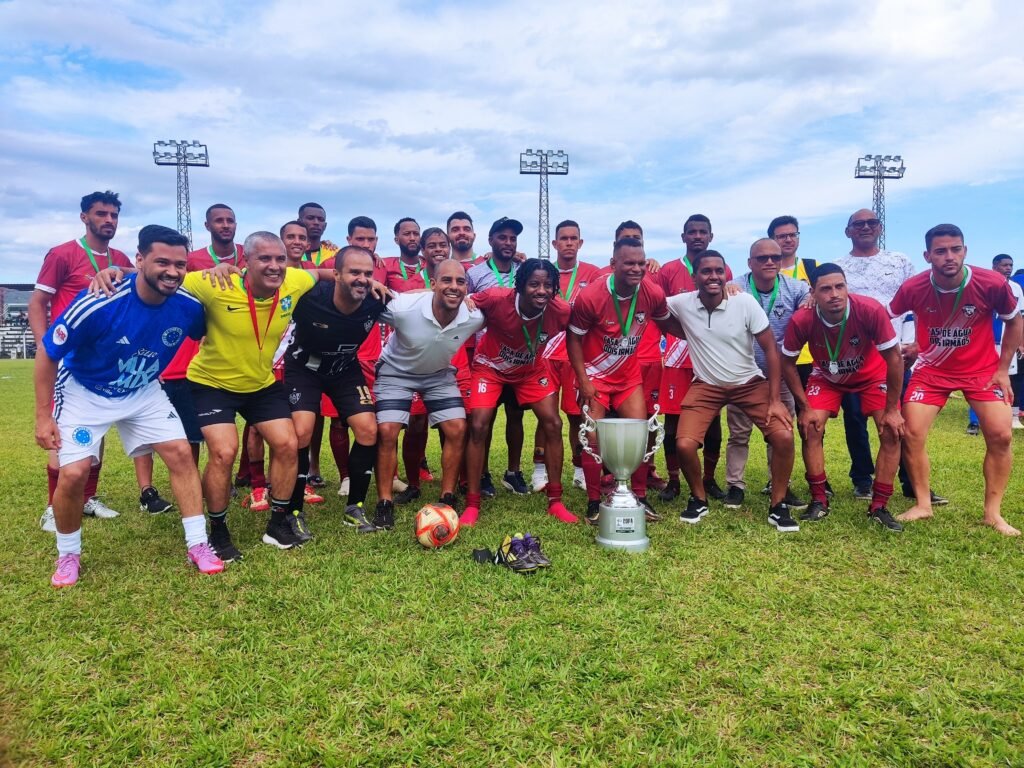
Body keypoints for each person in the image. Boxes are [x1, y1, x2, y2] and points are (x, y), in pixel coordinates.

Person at [34, 224, 222, 587]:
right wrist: (43, 416)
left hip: (142, 391)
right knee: (74, 473)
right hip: (85, 391)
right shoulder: (98, 301)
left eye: (180, 264)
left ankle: (198, 544)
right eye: (162, 262)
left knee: (181, 454)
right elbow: (48, 353)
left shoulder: (188, 306)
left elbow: (206, 326)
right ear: (139, 260)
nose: (172, 271)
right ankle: (68, 554)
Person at [29, 190, 172, 531]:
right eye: (101, 214)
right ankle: (53, 505)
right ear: (85, 217)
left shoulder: (119, 257)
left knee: (97, 429)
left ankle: (88, 498)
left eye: (113, 215)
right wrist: (45, 347)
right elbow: (37, 302)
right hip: (70, 356)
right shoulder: (62, 254)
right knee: (65, 432)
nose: (108, 220)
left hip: (109, 358)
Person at [889, 224, 1021, 535]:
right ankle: (923, 505)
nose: (949, 256)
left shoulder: (991, 283)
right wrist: (907, 347)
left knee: (1001, 435)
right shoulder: (913, 287)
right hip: (931, 372)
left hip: (982, 372)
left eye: (955, 249)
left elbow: (1015, 322)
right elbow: (886, 318)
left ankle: (993, 514)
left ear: (965, 251)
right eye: (940, 251)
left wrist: (1003, 369)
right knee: (912, 433)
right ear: (927, 256)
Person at [661, 249, 798, 532]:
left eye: (718, 271)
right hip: (706, 385)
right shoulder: (682, 302)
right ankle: (698, 498)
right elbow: (652, 305)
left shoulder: (744, 302)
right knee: (684, 444)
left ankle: (778, 504)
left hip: (748, 383)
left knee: (783, 436)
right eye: (706, 271)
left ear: (726, 274)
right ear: (694, 277)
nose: (713, 276)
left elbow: (771, 350)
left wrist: (775, 400)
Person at [781, 264, 906, 530]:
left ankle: (879, 506)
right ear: (813, 293)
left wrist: (893, 409)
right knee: (810, 427)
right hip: (827, 378)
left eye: (840, 286)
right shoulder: (802, 319)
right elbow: (787, 363)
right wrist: (804, 407)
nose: (835, 294)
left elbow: (895, 359)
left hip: (872, 376)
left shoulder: (869, 309)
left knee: (890, 430)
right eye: (826, 289)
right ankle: (819, 500)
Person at [834, 209, 946, 506]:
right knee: (855, 418)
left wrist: (917, 342)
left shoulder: (899, 262)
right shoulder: (839, 267)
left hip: (896, 353)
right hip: (854, 356)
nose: (866, 227)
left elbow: (919, 303)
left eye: (872, 223)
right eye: (859, 224)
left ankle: (911, 482)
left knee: (901, 418)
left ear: (880, 228)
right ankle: (862, 479)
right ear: (848, 231)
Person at [567, 236, 676, 525]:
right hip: (595, 376)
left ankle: (639, 496)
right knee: (591, 437)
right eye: (629, 263)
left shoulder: (651, 292)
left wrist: (701, 333)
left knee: (638, 435)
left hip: (628, 377)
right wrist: (583, 380)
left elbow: (667, 321)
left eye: (641, 263)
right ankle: (593, 502)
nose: (637, 269)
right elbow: (573, 339)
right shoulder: (592, 296)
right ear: (613, 263)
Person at [283, 245, 388, 535]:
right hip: (303, 368)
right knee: (302, 431)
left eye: (367, 273)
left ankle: (354, 508)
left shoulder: (376, 300)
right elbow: (273, 281)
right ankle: (293, 511)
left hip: (344, 369)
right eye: (354, 272)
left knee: (368, 430)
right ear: (336, 274)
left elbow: (414, 302)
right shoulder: (310, 297)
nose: (362, 279)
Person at [372, 260, 484, 531]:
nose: (454, 286)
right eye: (446, 280)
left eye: (460, 282)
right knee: (387, 430)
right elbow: (362, 303)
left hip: (438, 374)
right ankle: (384, 502)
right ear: (432, 284)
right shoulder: (403, 308)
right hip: (396, 372)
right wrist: (373, 284)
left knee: (457, 428)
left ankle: (447, 498)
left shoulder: (474, 316)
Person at [462, 259, 574, 526]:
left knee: (553, 423)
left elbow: (580, 332)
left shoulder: (560, 310)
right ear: (520, 286)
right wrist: (467, 300)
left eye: (548, 285)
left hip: (530, 371)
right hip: (490, 367)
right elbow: (466, 302)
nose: (541, 291)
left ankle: (556, 501)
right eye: (534, 284)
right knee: (478, 424)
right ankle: (472, 503)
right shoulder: (496, 298)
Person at [161, 205, 247, 471]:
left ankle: (245, 476)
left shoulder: (249, 255)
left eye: (230, 220)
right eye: (219, 221)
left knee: (249, 424)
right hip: (199, 352)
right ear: (207, 226)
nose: (225, 225)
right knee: (200, 427)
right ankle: (195, 478)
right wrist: (117, 269)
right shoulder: (193, 259)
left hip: (240, 350)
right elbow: (163, 281)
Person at [723, 239, 808, 509]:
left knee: (781, 430)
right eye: (762, 258)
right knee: (739, 433)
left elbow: (811, 302)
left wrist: (813, 298)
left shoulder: (796, 288)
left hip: (779, 374)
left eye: (775, 257)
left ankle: (779, 483)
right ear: (750, 263)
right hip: (742, 374)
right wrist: (725, 290)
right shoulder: (736, 286)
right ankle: (735, 485)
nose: (770, 262)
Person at [653, 215, 729, 502]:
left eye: (702, 232)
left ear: (711, 236)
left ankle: (709, 479)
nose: (697, 236)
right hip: (676, 357)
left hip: (709, 357)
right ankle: (674, 481)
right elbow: (656, 307)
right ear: (683, 237)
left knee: (712, 424)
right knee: (673, 424)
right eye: (692, 232)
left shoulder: (722, 268)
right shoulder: (669, 270)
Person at [537, 220, 601, 492]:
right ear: (555, 243)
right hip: (546, 355)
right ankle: (539, 471)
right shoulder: (544, 272)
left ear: (580, 243)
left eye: (574, 238)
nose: (569, 243)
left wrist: (653, 262)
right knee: (546, 416)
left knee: (578, 416)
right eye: (563, 238)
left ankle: (579, 470)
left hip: (577, 356)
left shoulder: (594, 273)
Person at [467, 217, 528, 495]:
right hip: (488, 358)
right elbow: (466, 306)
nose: (508, 243)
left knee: (516, 415)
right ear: (490, 240)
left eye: (512, 238)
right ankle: (482, 475)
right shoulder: (475, 273)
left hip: (519, 358)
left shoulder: (524, 270)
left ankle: (513, 473)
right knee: (485, 418)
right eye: (502, 237)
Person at [966, 254, 1024, 433]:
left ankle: (1009, 417)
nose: (1008, 268)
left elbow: (1020, 318)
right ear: (994, 266)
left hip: (1006, 342)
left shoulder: (1016, 288)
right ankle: (974, 421)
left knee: (1007, 378)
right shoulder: (983, 284)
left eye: (1011, 265)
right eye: (1005, 265)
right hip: (983, 342)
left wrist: (1020, 342)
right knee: (978, 379)